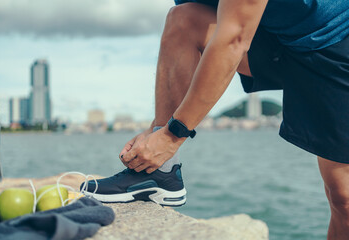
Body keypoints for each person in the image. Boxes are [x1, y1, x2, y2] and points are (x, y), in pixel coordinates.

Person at [82, 0, 349, 238]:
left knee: (344, 197)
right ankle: (160, 173)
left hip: (336, 40)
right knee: (184, 19)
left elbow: (234, 39)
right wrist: (157, 134)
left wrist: (171, 136)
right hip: (278, 37)